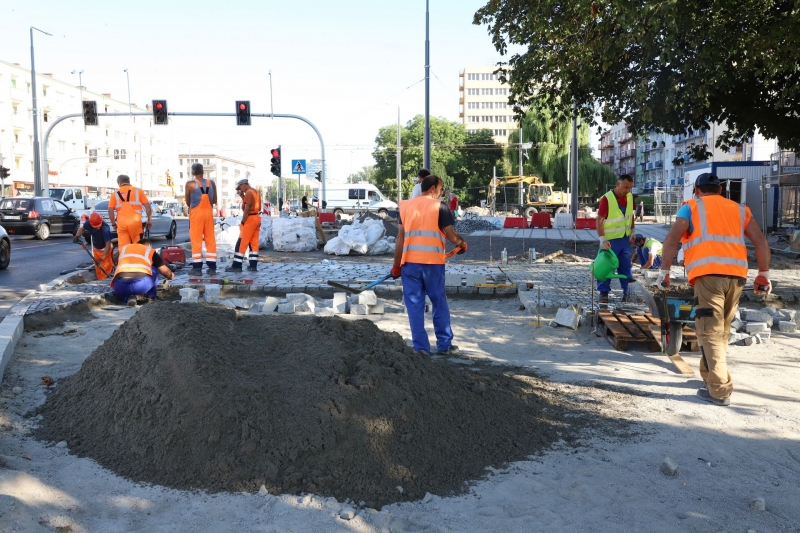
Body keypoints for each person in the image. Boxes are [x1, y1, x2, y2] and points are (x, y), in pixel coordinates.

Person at [659, 173, 771, 407]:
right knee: (720, 331)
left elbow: (672, 239)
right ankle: (709, 378)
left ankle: (719, 391)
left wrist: (664, 272)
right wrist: (763, 274)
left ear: (697, 190)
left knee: (709, 331)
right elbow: (760, 241)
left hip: (708, 275)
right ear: (719, 190)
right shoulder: (740, 209)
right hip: (737, 277)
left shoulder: (690, 207)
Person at [392, 175, 468, 356]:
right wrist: (462, 244)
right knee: (439, 303)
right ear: (433, 188)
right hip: (433, 265)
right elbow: (451, 235)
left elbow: (400, 238)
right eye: (441, 190)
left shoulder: (405, 206)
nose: (441, 194)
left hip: (410, 265)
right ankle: (444, 345)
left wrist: (396, 265)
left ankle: (421, 349)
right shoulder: (440, 207)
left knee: (414, 306)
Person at [596, 174, 636, 304]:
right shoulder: (607, 199)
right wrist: (602, 239)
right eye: (626, 187)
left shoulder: (629, 197)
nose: (628, 190)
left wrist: (633, 231)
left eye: (630, 188)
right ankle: (603, 293)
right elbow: (599, 221)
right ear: (618, 184)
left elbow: (630, 215)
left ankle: (628, 293)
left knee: (626, 267)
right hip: (610, 241)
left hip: (624, 239)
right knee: (606, 267)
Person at [111, 238, 174, 306]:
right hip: (141, 286)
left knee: (123, 289)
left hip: (119, 287)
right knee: (153, 269)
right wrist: (171, 275)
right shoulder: (149, 251)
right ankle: (151, 298)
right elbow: (165, 271)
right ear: (148, 246)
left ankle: (128, 298)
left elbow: (115, 261)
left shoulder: (125, 249)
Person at [184, 163, 218, 276]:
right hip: (208, 213)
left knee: (196, 240)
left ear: (193, 172)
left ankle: (197, 268)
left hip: (196, 214)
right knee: (210, 239)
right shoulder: (211, 183)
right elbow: (214, 200)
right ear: (203, 171)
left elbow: (188, 202)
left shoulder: (190, 184)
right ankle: (212, 267)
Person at [226, 179, 261, 272]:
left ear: (244, 185)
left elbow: (246, 209)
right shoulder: (256, 192)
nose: (240, 190)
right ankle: (253, 265)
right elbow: (255, 205)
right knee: (253, 243)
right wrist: (242, 197)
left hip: (250, 219)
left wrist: (242, 222)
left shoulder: (249, 193)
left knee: (241, 242)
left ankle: (236, 266)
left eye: (240, 187)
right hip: (257, 218)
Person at [108, 174, 151, 249]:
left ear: (119, 182)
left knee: (123, 247)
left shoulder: (114, 194)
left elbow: (110, 210)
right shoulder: (138, 191)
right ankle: (138, 259)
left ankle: (124, 260)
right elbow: (148, 207)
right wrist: (149, 220)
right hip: (135, 222)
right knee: (138, 245)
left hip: (122, 224)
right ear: (128, 181)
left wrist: (113, 224)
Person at [73, 212, 114, 280]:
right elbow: (82, 229)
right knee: (98, 268)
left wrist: (102, 257)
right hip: (97, 249)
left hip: (106, 251)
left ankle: (105, 282)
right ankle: (100, 280)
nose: (97, 227)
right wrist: (76, 236)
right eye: (95, 226)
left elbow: (108, 244)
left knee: (105, 268)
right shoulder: (88, 223)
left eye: (98, 226)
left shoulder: (105, 228)